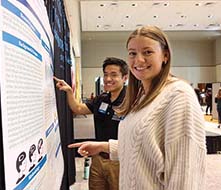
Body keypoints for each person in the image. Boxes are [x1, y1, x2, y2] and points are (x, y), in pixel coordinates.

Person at [69, 26, 206, 190]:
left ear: (165, 56)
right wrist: (103, 146)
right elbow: (143, 147)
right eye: (132, 53)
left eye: (147, 52)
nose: (138, 60)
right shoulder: (141, 97)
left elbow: (185, 174)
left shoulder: (179, 95)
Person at [54, 57, 129, 190]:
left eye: (114, 75)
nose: (108, 79)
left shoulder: (131, 101)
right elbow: (78, 109)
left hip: (120, 161)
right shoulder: (101, 99)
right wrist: (69, 92)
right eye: (105, 74)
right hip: (98, 159)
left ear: (124, 78)